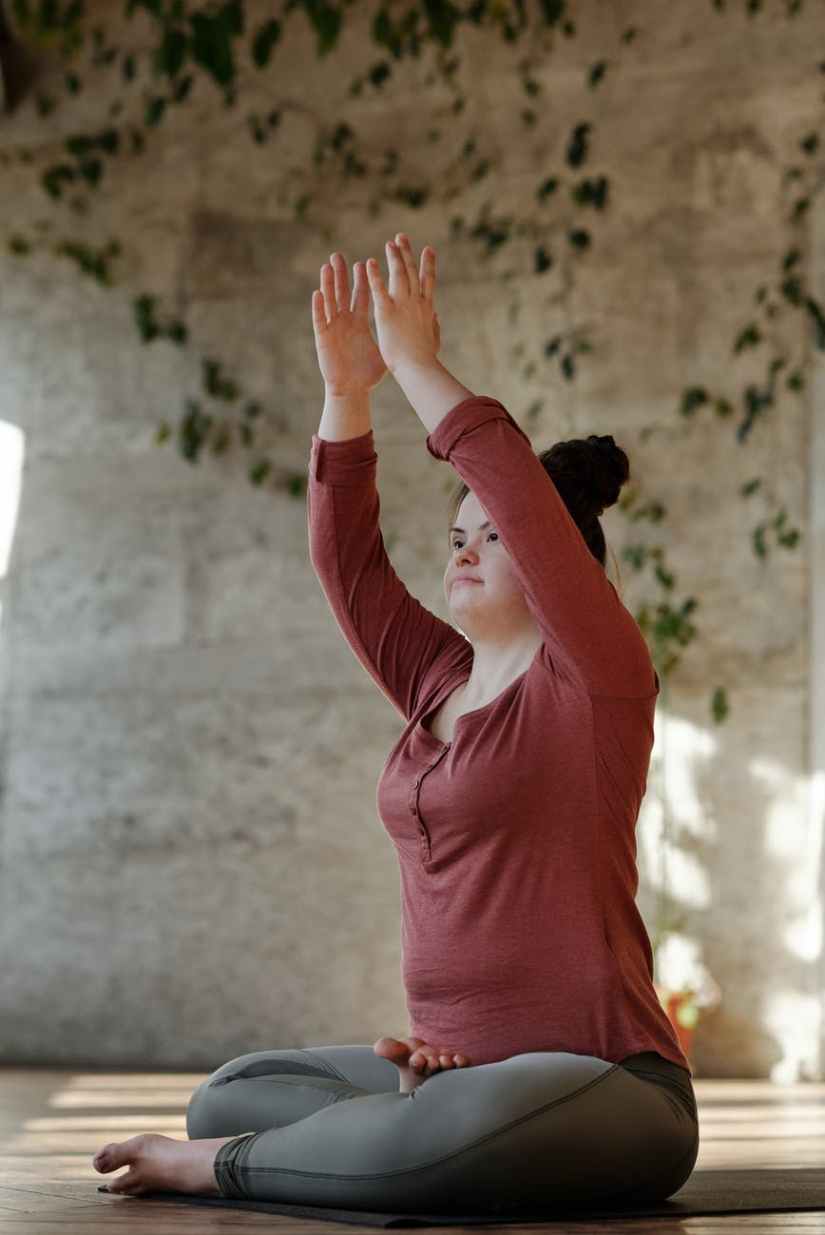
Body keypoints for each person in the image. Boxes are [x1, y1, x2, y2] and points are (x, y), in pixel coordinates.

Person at [91, 234, 699, 1212]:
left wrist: (417, 364)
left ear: (556, 569)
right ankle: (369, 1132)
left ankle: (220, 1169)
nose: (464, 551)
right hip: (450, 1074)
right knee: (231, 1092)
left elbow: (516, 490)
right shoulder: (435, 677)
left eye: (493, 537)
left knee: (417, 1133)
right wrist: (347, 395)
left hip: (610, 1084)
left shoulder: (597, 679)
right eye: (455, 535)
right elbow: (352, 567)